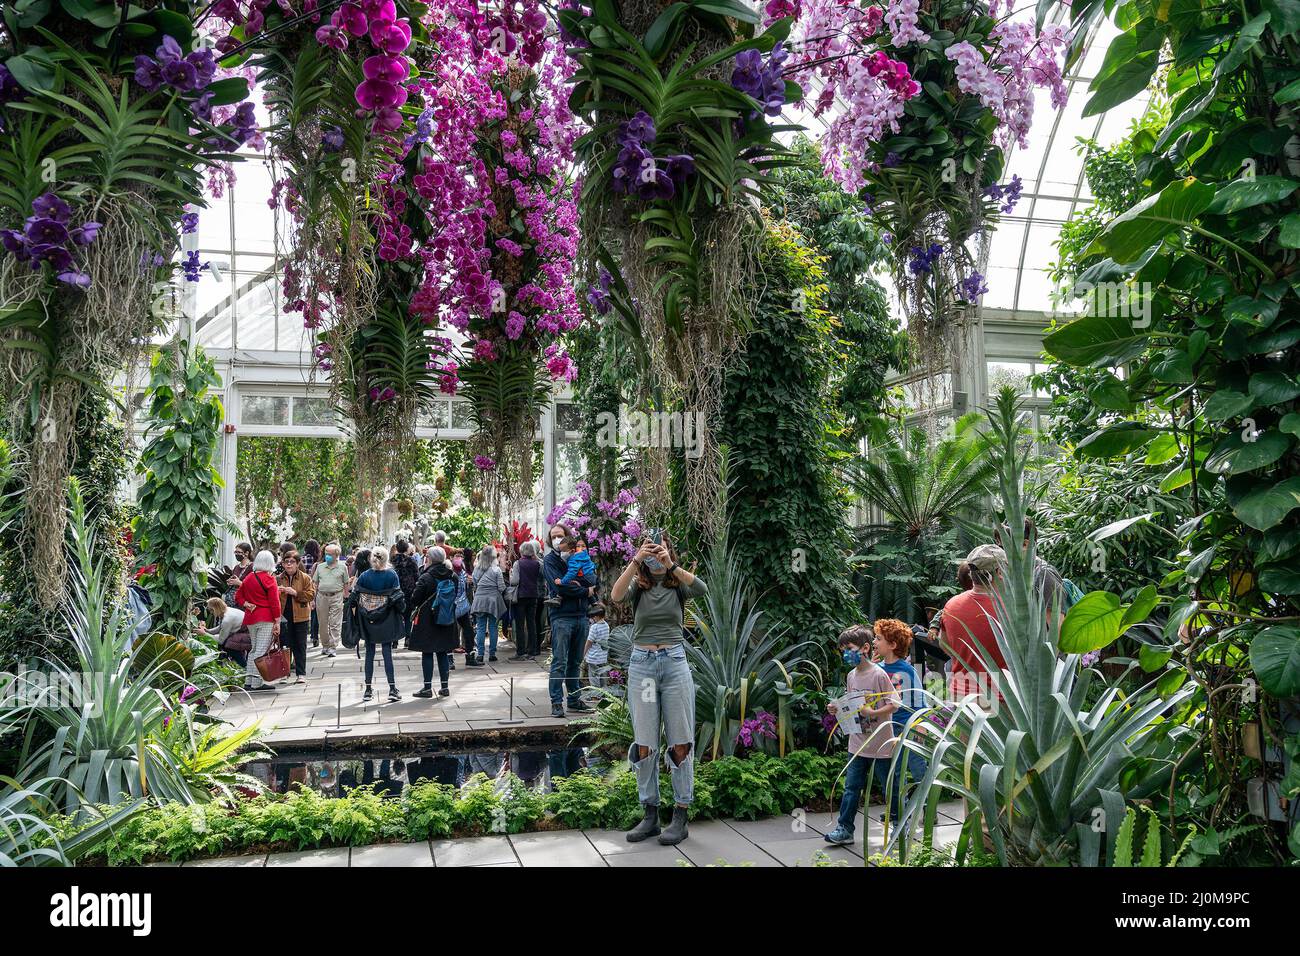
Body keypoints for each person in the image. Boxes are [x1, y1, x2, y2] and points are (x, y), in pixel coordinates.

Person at [611, 533, 707, 846]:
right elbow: (614, 595)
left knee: (680, 740)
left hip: (674, 663)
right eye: (650, 550)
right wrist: (636, 560)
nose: (654, 555)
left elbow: (702, 589)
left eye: (659, 549)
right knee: (645, 743)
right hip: (644, 667)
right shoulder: (639, 586)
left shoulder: (677, 583)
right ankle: (650, 814)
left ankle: (680, 815)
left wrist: (671, 565)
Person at [823, 624, 902, 845]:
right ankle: (845, 828)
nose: (845, 653)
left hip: (881, 744)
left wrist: (874, 712)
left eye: (849, 648)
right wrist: (837, 708)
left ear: (865, 647)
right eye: (843, 649)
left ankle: (898, 824)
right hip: (857, 743)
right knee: (851, 788)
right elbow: (853, 704)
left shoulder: (879, 675)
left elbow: (895, 703)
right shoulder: (851, 676)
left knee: (890, 787)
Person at [939, 544, 1007, 707]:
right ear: (998, 572)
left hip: (963, 697)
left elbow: (944, 644)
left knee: (968, 734)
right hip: (1001, 700)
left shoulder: (952, 605)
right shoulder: (1009, 609)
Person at [544, 523, 598, 717]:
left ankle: (574, 701)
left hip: (581, 616)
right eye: (554, 537)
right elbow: (559, 588)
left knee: (575, 661)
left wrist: (582, 585)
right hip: (561, 617)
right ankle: (556, 702)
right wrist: (584, 590)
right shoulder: (550, 561)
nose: (558, 539)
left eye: (561, 536)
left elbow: (592, 579)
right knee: (559, 660)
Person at [871, 618, 929, 790]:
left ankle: (926, 809)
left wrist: (920, 726)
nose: (874, 642)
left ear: (892, 645)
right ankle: (897, 808)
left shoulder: (907, 670)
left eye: (878, 638)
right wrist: (870, 670)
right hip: (887, 727)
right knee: (894, 771)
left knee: (918, 767)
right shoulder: (877, 669)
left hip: (908, 726)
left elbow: (919, 699)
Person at [348, 548, 405, 702]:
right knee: (387, 652)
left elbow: (353, 598)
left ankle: (367, 689)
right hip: (387, 619)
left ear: (371, 559)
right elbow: (398, 598)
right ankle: (392, 688)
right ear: (387, 559)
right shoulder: (392, 575)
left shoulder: (365, 576)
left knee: (370, 653)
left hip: (368, 620)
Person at [408, 546, 459, 698]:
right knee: (443, 651)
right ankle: (445, 687)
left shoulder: (426, 577)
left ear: (429, 559)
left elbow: (415, 599)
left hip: (427, 619)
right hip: (446, 617)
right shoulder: (452, 576)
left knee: (428, 652)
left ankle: (427, 688)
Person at [994, 516, 1064, 620]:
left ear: (1026, 544)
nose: (1001, 551)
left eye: (1005, 545)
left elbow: (1057, 626)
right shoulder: (1014, 574)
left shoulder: (1043, 575)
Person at [235, 550, 281, 692]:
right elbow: (275, 602)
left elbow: (238, 596)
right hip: (266, 617)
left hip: (251, 617)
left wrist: (246, 604)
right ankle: (257, 683)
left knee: (254, 650)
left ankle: (249, 681)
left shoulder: (249, 577)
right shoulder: (269, 579)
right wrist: (277, 620)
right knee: (260, 650)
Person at [470, 544, 507, 665]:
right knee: (493, 627)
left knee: (480, 627)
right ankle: (492, 654)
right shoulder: (496, 570)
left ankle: (480, 654)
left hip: (480, 599)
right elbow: (501, 587)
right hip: (493, 600)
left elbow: (474, 584)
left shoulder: (476, 569)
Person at [313, 542, 349, 657]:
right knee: (322, 623)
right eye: (326, 553)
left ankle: (333, 647)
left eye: (330, 554)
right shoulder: (320, 567)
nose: (327, 555)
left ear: (336, 555)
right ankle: (325, 645)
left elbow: (346, 582)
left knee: (335, 623)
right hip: (322, 596)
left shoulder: (343, 567)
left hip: (336, 596)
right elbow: (315, 583)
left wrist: (346, 595)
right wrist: (312, 599)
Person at [509, 540, 542, 660]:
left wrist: (511, 574)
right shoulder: (537, 563)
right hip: (533, 595)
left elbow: (514, 581)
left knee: (520, 624)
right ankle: (532, 651)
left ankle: (521, 652)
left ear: (521, 551)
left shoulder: (518, 563)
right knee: (531, 623)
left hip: (521, 596)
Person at [546, 535, 596, 606]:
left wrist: (562, 581)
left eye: (563, 551)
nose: (561, 553)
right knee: (585, 586)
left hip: (586, 577)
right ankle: (594, 603)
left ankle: (558, 598)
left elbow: (572, 573)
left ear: (572, 550)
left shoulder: (574, 559)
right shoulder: (581, 555)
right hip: (590, 577)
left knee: (570, 582)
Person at [206, 596, 247, 667]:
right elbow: (220, 628)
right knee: (226, 642)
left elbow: (221, 640)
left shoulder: (227, 619)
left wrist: (204, 634)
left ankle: (243, 666)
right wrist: (207, 631)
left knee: (227, 644)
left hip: (248, 634)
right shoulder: (226, 610)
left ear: (215, 609)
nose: (211, 613)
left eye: (211, 610)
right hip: (242, 631)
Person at [392, 538, 421, 638]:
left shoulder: (393, 560)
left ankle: (395, 639)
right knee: (408, 614)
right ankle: (408, 637)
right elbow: (417, 575)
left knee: (396, 614)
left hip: (395, 589)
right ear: (407, 548)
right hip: (409, 589)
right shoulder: (411, 560)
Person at [583, 603, 610, 689]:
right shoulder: (606, 625)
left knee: (594, 676)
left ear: (596, 616)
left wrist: (584, 653)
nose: (592, 618)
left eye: (592, 616)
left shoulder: (594, 627)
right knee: (603, 675)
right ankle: (604, 693)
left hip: (594, 657)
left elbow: (589, 642)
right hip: (603, 656)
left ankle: (595, 695)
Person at [302, 539, 321, 646]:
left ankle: (305, 634)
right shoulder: (317, 560)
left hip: (303, 587)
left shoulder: (301, 559)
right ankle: (314, 635)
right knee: (315, 613)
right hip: (314, 587)